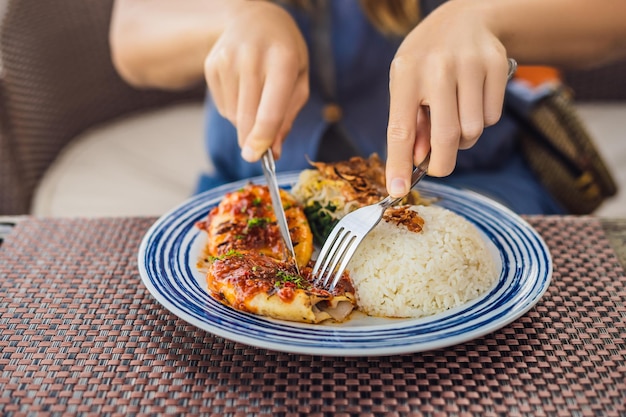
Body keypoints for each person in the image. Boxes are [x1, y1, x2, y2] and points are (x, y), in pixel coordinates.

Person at [109, 0, 626, 214]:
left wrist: (484, 14)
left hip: (473, 185)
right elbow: (131, 35)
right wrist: (236, 15)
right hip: (260, 198)